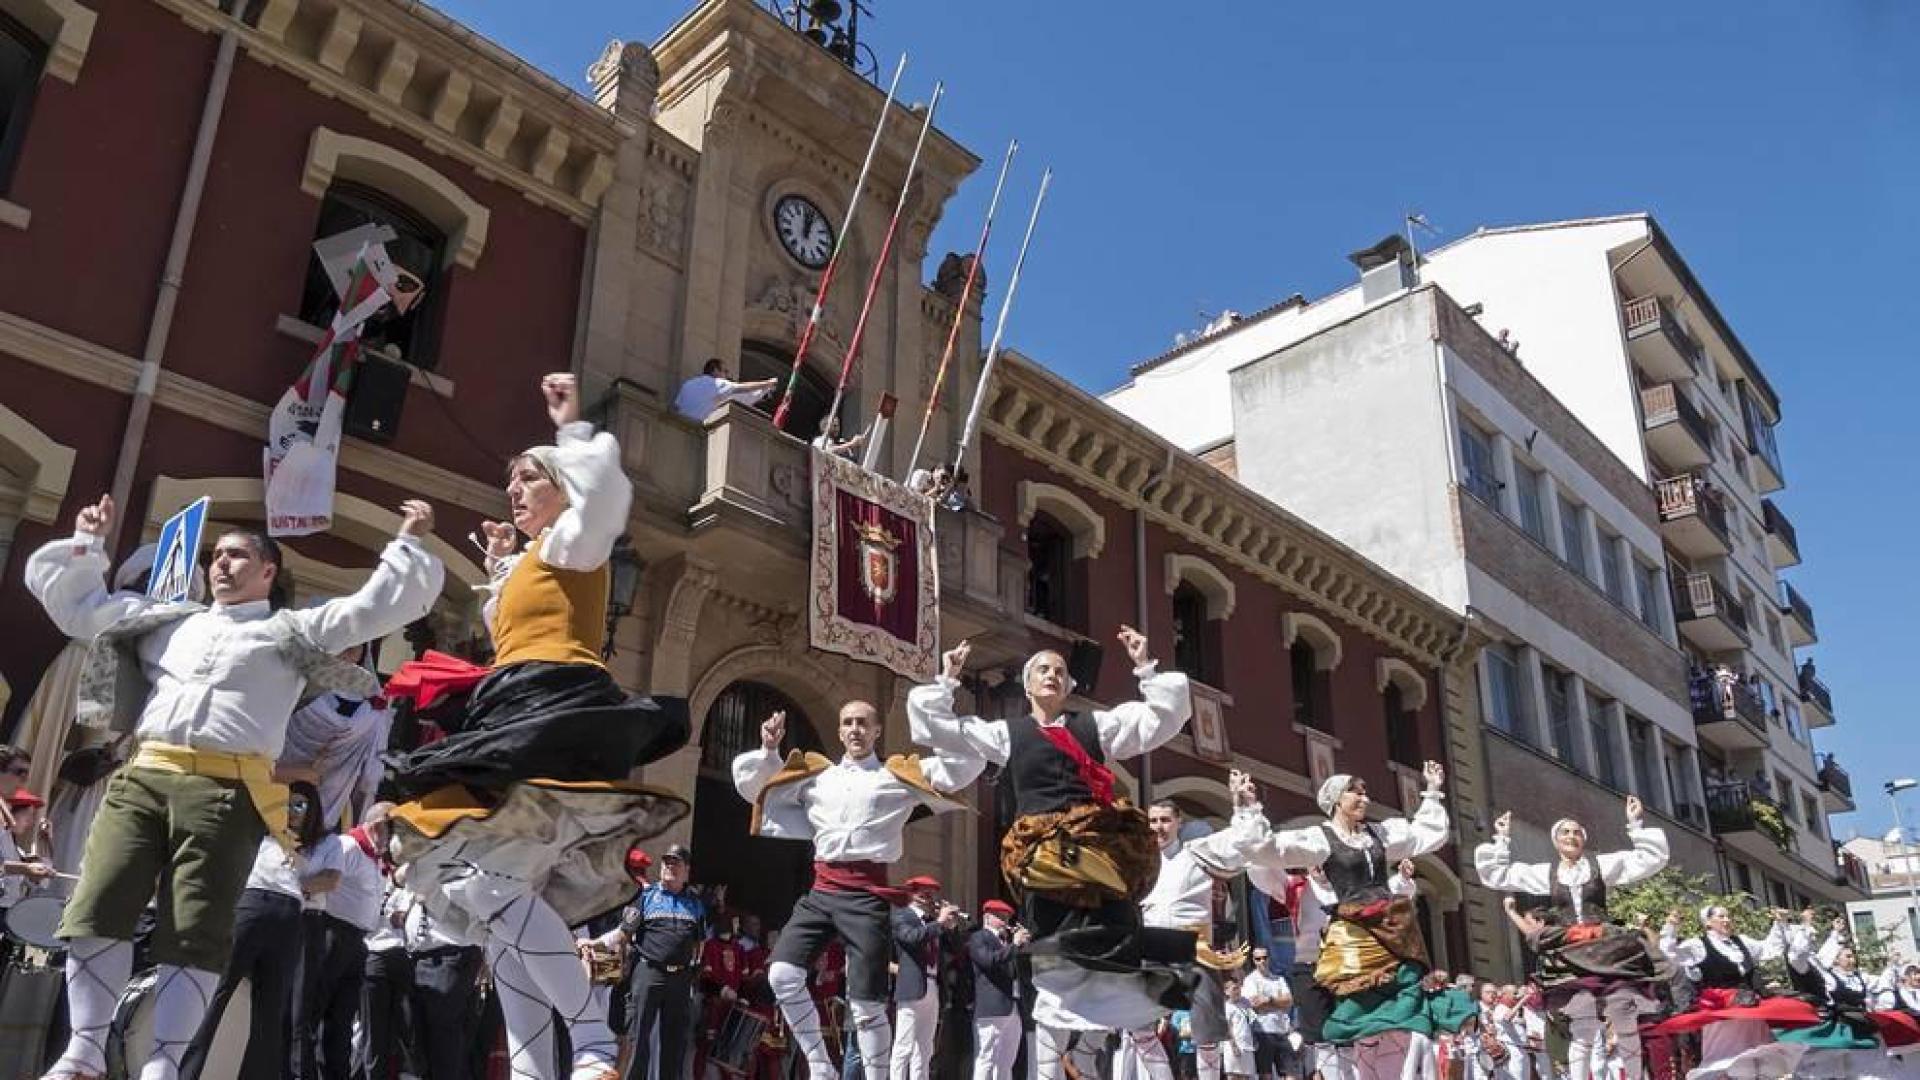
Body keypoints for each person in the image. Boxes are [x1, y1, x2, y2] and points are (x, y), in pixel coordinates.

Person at [24, 491, 442, 1080]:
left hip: (224, 791)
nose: (222, 563)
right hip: (143, 777)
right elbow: (81, 610)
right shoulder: (167, 622)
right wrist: (87, 543)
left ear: (269, 572)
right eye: (217, 554)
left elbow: (368, 610)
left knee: (195, 932)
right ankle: (85, 1049)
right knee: (98, 905)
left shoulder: (290, 631)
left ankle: (165, 1064)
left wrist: (406, 544)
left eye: (238, 555)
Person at [385, 373, 691, 1080]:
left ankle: (592, 1038)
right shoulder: (533, 559)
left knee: (485, 885)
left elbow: (608, 498)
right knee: (491, 906)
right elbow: (509, 630)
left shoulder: (574, 540)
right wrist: (500, 567)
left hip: (551, 713)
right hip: (508, 713)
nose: (513, 490)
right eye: (511, 481)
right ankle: (536, 1071)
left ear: (561, 486)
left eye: (528, 479)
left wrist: (573, 430)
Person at [908, 629, 1195, 1080]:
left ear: (1068, 685)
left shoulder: (1094, 726)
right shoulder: (1007, 734)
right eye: (1043, 669)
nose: (1052, 675)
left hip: (1095, 855)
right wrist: (946, 681)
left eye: (1060, 671)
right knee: (1053, 965)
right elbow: (941, 730)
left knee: (1117, 951)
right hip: (1045, 861)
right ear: (1027, 685)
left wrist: (1145, 667)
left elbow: (1161, 717)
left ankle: (1087, 1056)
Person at [733, 702, 982, 1080]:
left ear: (877, 731)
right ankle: (821, 1067)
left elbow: (959, 768)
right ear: (839, 731)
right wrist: (769, 750)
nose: (855, 729)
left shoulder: (895, 776)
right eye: (848, 723)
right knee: (781, 974)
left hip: (866, 896)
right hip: (821, 891)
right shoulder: (818, 777)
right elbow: (758, 789)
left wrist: (941, 703)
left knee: (867, 1006)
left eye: (863, 723)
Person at [1202, 765, 1454, 1080]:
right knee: (1361, 1021)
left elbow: (1425, 835)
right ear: (1336, 800)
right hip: (1353, 943)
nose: (1364, 798)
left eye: (1365, 792)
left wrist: (1433, 792)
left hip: (1392, 934)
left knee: (1398, 1018)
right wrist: (1247, 809)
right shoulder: (1319, 839)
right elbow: (1267, 850)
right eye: (1355, 792)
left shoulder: (1379, 834)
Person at [1472, 796, 1670, 1080]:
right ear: (1555, 841)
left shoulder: (1600, 865)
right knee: (1583, 1024)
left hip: (1605, 950)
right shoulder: (1547, 873)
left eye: (1576, 832)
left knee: (1623, 1015)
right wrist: (1502, 839)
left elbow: (1649, 859)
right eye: (1565, 832)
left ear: (1583, 839)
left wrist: (1635, 824)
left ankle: (1636, 1077)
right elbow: (1498, 874)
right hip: (1571, 951)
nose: (1571, 836)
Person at [178, 780, 321, 1080]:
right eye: (288, 804)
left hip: (289, 913)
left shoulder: (306, 848)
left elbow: (327, 879)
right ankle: (184, 1072)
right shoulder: (256, 832)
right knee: (219, 990)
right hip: (253, 902)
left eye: (300, 806)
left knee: (271, 1007)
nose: (293, 811)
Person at [1651, 906, 1808, 1079]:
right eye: (1721, 917)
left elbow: (1769, 949)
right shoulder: (1698, 945)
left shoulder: (1741, 942)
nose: (1727, 920)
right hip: (1723, 1014)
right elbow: (1670, 953)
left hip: (1749, 1009)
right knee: (1728, 1059)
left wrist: (1779, 922)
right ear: (1708, 922)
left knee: (1759, 1056)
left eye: (1728, 916)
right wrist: (1671, 927)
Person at [592, 843, 707, 1080]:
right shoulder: (645, 896)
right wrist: (596, 945)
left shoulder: (696, 903)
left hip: (681, 978)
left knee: (674, 1041)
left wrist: (693, 972)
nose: (669, 867)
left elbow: (699, 942)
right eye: (666, 863)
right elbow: (623, 933)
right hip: (648, 972)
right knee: (637, 1037)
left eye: (675, 863)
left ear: (687, 870)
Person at [295, 804, 391, 1080]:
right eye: (393, 828)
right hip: (333, 933)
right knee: (314, 1009)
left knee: (342, 1019)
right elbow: (318, 878)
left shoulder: (374, 857)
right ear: (378, 825)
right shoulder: (349, 846)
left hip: (356, 942)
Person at [892, 876, 963, 1080]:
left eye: (931, 893)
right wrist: (939, 922)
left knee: (925, 1046)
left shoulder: (933, 923)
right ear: (912, 894)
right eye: (923, 892)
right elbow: (912, 938)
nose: (928, 897)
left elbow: (957, 950)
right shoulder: (901, 916)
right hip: (912, 985)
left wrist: (952, 927)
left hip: (933, 985)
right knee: (904, 1045)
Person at [971, 900, 1030, 1080]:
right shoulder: (979, 937)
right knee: (986, 1058)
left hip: (1012, 1005)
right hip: (992, 1006)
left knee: (1006, 1060)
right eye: (1000, 917)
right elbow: (988, 961)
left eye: (1007, 918)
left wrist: (1023, 947)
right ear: (987, 917)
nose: (1005, 921)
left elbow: (1017, 971)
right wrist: (1014, 945)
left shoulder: (1006, 942)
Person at [1240, 948, 1295, 1080]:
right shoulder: (1250, 980)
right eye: (1258, 959)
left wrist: (1269, 1000)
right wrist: (1279, 1003)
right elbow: (1254, 1004)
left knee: (1291, 1072)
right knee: (1266, 1074)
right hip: (1262, 1031)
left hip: (1282, 1030)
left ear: (1269, 959)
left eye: (1264, 958)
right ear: (1253, 961)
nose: (1262, 961)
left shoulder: (1278, 979)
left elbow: (1289, 1001)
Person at [673, 358, 778, 421]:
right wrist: (768, 383)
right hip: (702, 432)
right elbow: (743, 388)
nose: (726, 376)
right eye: (725, 371)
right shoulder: (716, 383)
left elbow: (677, 407)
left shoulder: (687, 384)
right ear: (715, 370)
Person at [1221, 978, 1256, 1080]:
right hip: (1234, 1047)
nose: (1237, 991)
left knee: (1245, 1076)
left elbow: (1252, 1020)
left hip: (1247, 1045)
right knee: (1233, 1076)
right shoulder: (1227, 1007)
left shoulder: (1245, 1004)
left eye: (1238, 988)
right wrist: (1234, 1046)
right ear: (1226, 991)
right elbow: (1227, 1027)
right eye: (1234, 989)